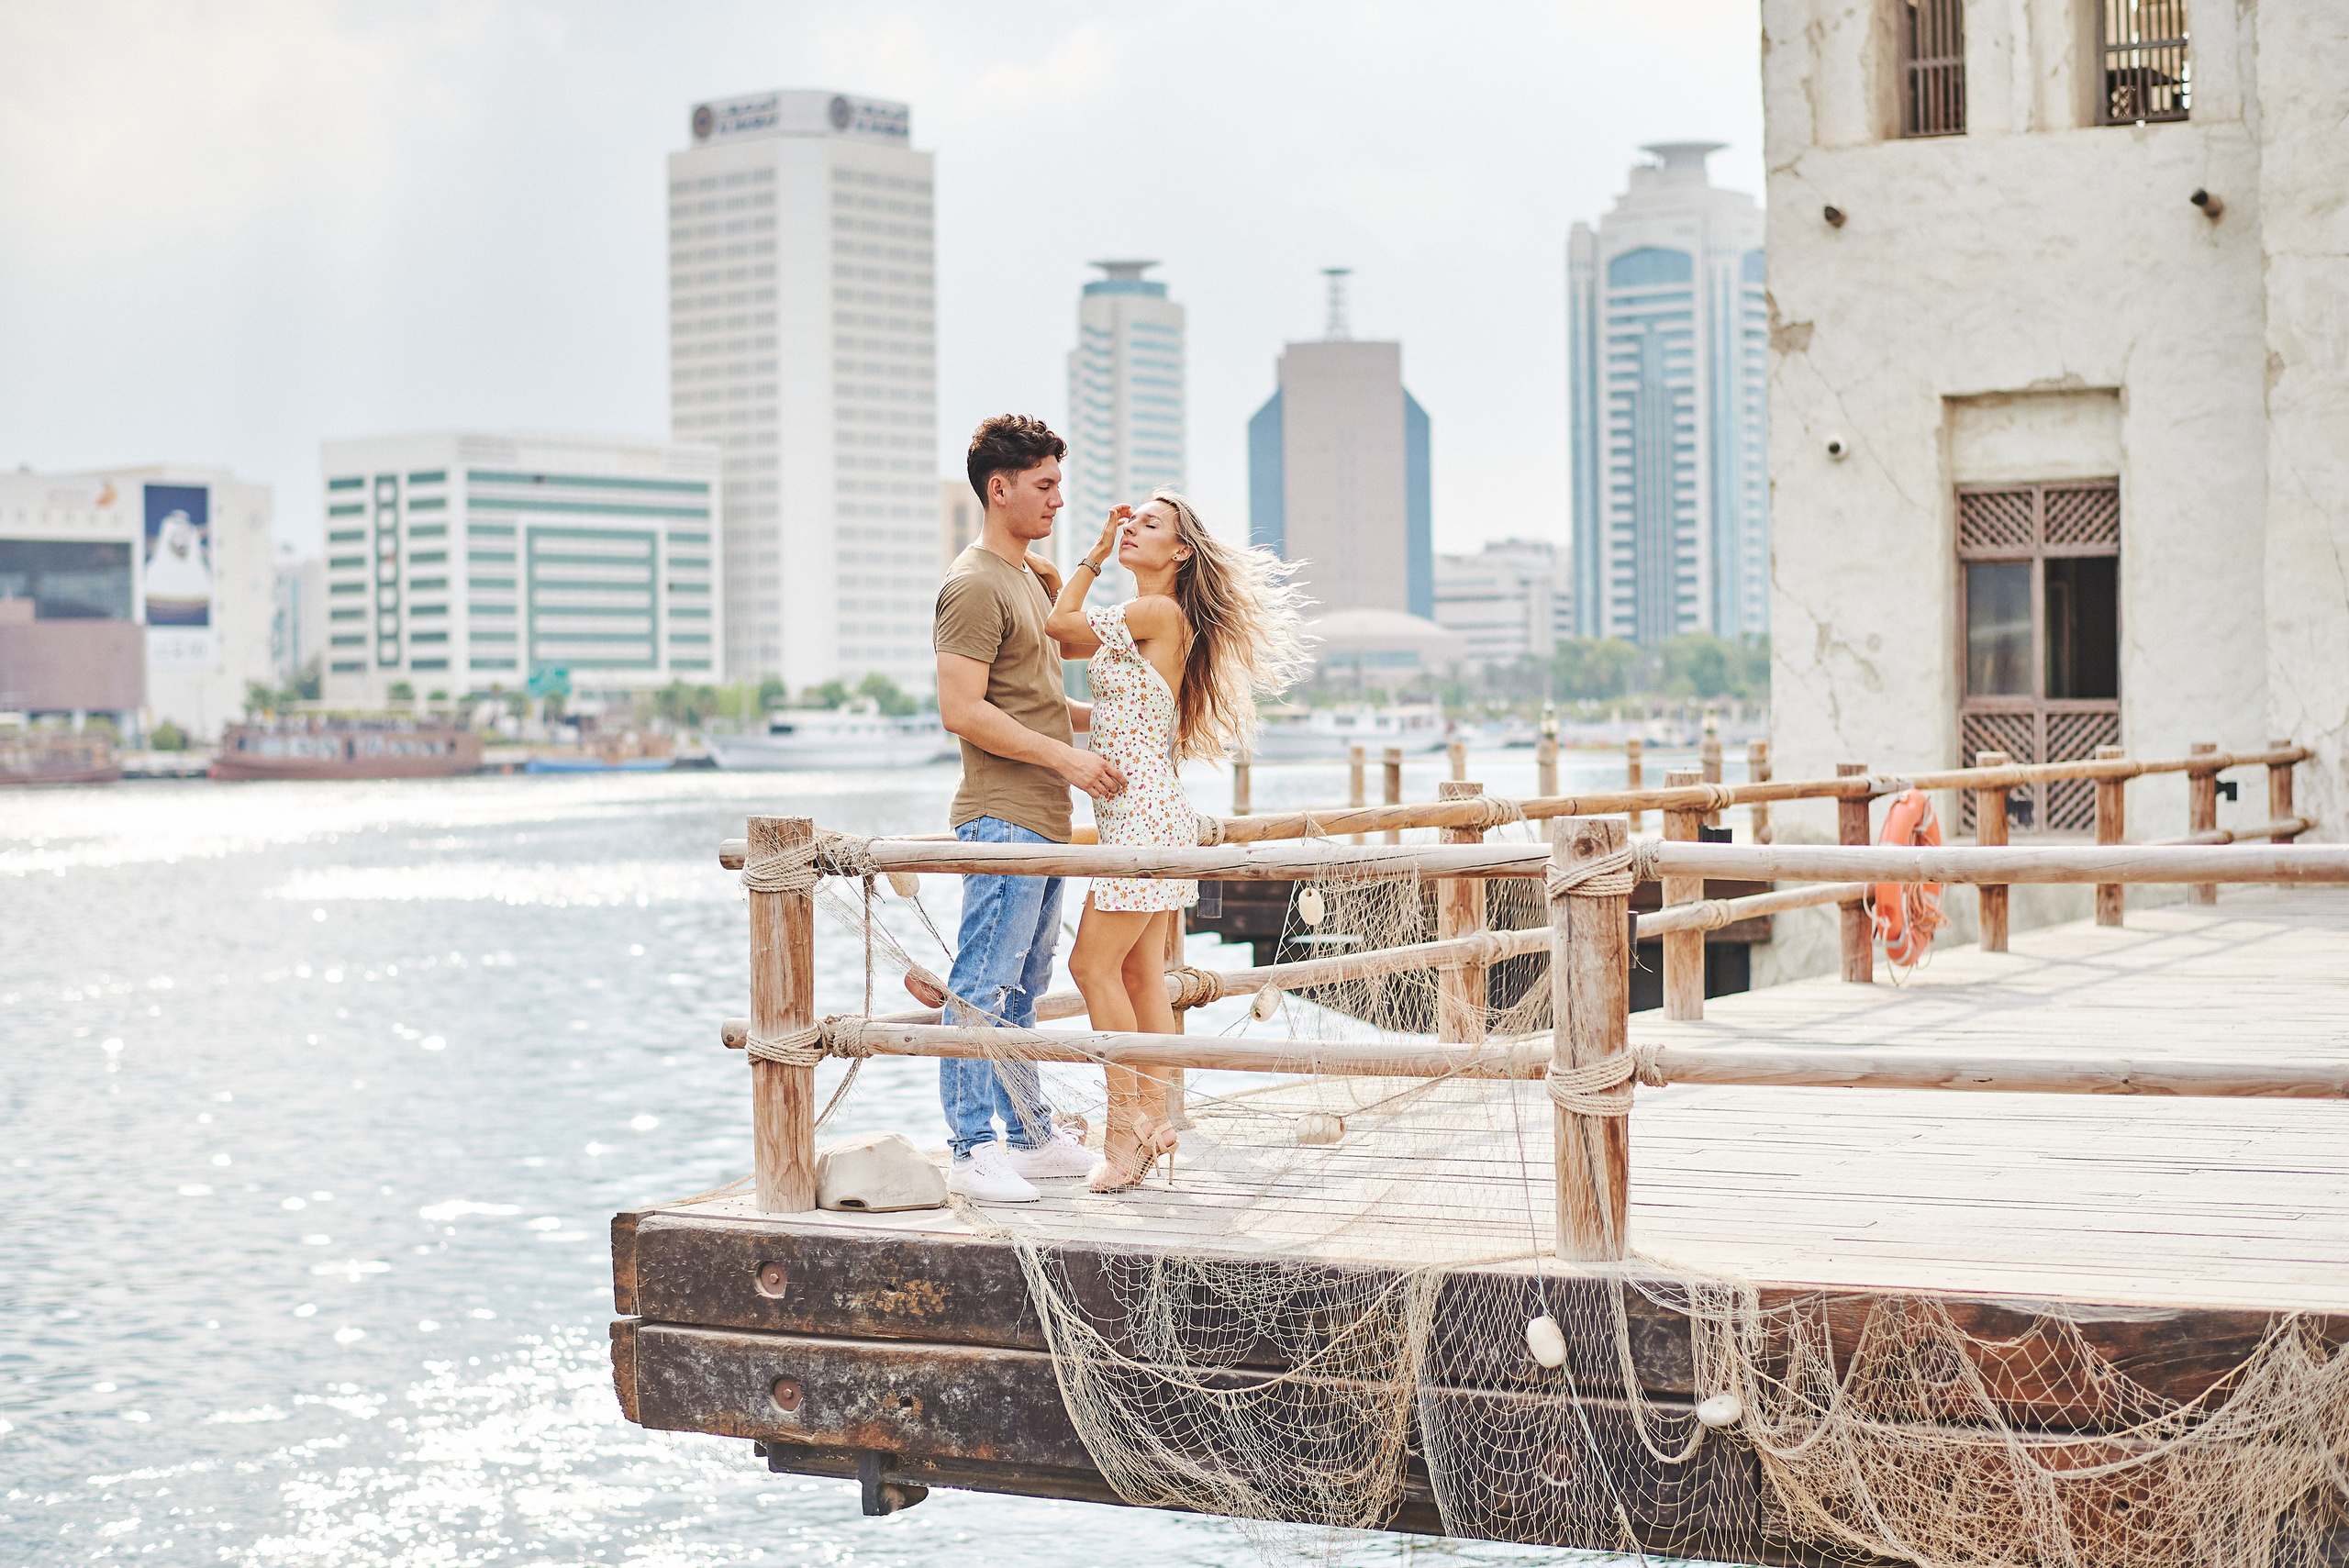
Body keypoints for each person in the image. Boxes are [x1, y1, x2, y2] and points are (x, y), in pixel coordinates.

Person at [1044, 492, 1311, 1192]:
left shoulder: (1158, 611)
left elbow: (1055, 625)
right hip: (1145, 813)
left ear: (1181, 551)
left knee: (1089, 966)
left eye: (1147, 526)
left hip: (1143, 819)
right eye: (1129, 524)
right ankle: (1155, 1120)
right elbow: (1072, 644)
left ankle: (1124, 1125)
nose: (1131, 529)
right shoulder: (1145, 621)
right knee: (1137, 976)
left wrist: (1092, 556)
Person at [925, 415, 1127, 1203]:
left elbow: (1039, 703)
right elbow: (961, 709)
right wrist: (1069, 759)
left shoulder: (1028, 578)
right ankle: (972, 1149)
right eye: (1042, 485)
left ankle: (1032, 1137)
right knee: (981, 981)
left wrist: (1121, 724)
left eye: (1058, 483)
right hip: (1003, 811)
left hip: (1041, 814)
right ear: (998, 487)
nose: (1057, 498)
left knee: (1023, 987)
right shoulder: (974, 582)